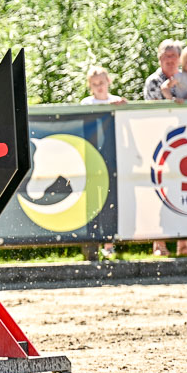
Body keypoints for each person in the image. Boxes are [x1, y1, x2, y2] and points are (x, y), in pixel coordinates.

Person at [141, 41, 187, 256]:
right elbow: (160, 111)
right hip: (161, 144)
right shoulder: (154, 81)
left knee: (184, 192)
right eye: (166, 56)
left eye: (174, 56)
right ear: (160, 59)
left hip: (186, 143)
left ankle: (183, 244)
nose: (171, 60)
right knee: (160, 193)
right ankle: (159, 244)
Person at [79, 66, 124, 258]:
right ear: (90, 86)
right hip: (91, 160)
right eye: (95, 84)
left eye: (102, 83)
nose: (99, 87)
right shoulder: (86, 103)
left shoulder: (116, 101)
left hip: (113, 161)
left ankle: (108, 244)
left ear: (109, 82)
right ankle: (91, 245)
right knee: (92, 202)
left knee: (110, 201)